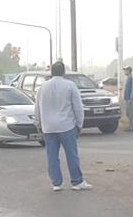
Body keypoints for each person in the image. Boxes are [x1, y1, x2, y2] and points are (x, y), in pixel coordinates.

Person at [34, 61, 91, 191]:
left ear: (51, 72)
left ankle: (56, 183)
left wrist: (38, 123)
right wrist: (79, 124)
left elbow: (37, 107)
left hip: (48, 126)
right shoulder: (70, 85)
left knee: (52, 155)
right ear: (64, 72)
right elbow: (78, 107)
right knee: (72, 154)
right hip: (67, 125)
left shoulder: (42, 87)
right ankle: (77, 181)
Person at [122, 66, 133, 132]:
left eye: (125, 70)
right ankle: (130, 125)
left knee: (131, 114)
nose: (125, 72)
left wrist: (131, 98)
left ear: (129, 71)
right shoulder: (127, 79)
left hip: (130, 99)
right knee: (127, 113)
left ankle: (132, 127)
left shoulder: (132, 79)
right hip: (126, 98)